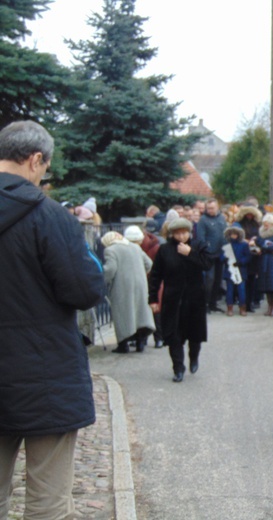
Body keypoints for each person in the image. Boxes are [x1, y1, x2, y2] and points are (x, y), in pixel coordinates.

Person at [0, 120, 104, 518]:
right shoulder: (51, 218)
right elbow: (84, 290)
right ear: (36, 159)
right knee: (47, 500)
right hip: (46, 374)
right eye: (46, 166)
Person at [148, 218, 213, 382]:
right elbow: (155, 276)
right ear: (172, 234)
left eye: (184, 232)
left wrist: (190, 253)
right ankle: (178, 368)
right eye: (177, 233)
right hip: (173, 299)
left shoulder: (199, 246)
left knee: (194, 334)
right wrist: (153, 299)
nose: (181, 236)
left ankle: (193, 357)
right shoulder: (165, 250)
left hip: (194, 298)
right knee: (174, 336)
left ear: (189, 232)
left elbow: (207, 265)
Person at [102, 231, 156, 353]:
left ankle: (123, 344)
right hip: (140, 284)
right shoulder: (135, 247)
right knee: (140, 312)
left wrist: (102, 279)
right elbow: (149, 263)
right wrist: (141, 273)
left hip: (122, 285)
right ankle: (140, 343)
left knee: (123, 313)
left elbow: (111, 269)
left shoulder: (111, 250)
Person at [124, 225, 165, 348]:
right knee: (139, 310)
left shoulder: (155, 247)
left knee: (154, 309)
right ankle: (141, 339)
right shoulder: (132, 248)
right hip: (140, 281)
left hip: (154, 281)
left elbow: (156, 265)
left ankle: (159, 338)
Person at [196, 198, 228, 313]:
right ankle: (205, 303)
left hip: (220, 254)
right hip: (209, 255)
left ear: (217, 207)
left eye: (212, 208)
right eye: (208, 208)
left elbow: (225, 234)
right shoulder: (203, 220)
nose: (210, 210)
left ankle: (213, 303)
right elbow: (201, 238)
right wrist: (206, 251)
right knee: (210, 279)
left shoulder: (222, 218)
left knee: (218, 280)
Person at [235, 204, 263, 312]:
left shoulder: (256, 224)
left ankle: (249, 303)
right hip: (243, 253)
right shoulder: (239, 224)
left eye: (252, 213)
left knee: (252, 280)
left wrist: (256, 242)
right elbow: (237, 236)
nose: (250, 215)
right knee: (243, 280)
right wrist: (247, 241)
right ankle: (243, 303)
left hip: (254, 255)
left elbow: (260, 236)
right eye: (248, 213)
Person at [222, 226, 251, 316]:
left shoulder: (244, 244)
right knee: (230, 290)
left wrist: (240, 262)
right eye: (231, 234)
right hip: (229, 270)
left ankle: (242, 308)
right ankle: (229, 308)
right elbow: (221, 257)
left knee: (241, 290)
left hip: (241, 270)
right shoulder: (226, 245)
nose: (233, 236)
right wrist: (227, 259)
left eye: (235, 234)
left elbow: (248, 256)